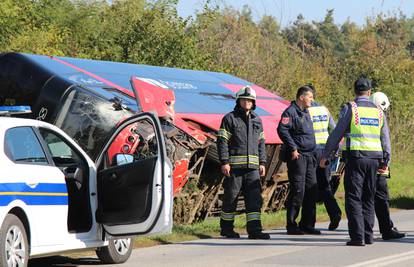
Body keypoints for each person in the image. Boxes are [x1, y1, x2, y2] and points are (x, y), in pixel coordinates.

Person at [320, 78, 391, 246]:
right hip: (374, 160)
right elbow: (385, 138)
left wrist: (326, 155)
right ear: (369, 92)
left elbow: (337, 134)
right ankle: (368, 235)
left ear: (355, 91)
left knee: (353, 197)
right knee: (368, 197)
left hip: (356, 159)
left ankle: (357, 237)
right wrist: (386, 159)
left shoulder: (351, 108)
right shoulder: (379, 112)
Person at [217, 85, 270, 240]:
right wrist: (224, 162)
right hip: (234, 167)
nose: (247, 102)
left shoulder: (257, 120)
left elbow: (261, 143)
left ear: (254, 103)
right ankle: (227, 229)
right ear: (239, 101)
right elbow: (222, 141)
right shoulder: (229, 118)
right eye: (244, 99)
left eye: (250, 100)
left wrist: (263, 162)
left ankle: (255, 231)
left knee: (254, 200)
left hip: (253, 168)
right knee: (230, 198)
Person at [277, 85, 320, 235]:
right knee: (298, 190)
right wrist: (293, 148)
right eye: (310, 97)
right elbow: (282, 130)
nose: (312, 100)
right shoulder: (290, 112)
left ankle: (307, 224)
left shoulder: (306, 112)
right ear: (301, 97)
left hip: (310, 157)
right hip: (298, 157)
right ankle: (292, 225)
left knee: (311, 190)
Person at [370, 92, 405, 240]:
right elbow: (386, 142)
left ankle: (365, 230)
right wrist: (387, 161)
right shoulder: (379, 115)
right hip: (379, 162)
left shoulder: (357, 113)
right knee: (382, 196)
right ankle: (387, 229)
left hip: (360, 161)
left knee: (365, 196)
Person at [307, 85, 342, 231]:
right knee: (325, 185)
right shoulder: (325, 110)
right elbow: (334, 131)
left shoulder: (305, 111)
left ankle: (310, 224)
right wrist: (334, 152)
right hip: (325, 152)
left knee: (310, 187)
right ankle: (335, 212)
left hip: (311, 151)